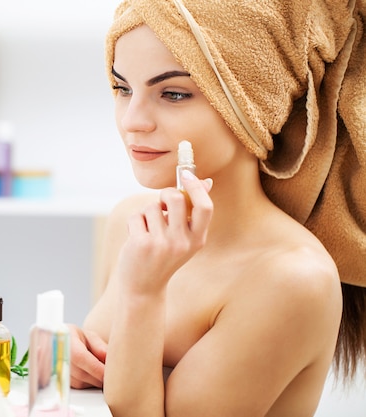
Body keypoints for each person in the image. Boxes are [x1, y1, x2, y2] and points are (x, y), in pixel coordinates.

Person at [69, 0, 366, 416]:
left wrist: (143, 292)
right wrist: (68, 353)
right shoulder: (130, 221)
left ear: (251, 105)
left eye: (173, 93)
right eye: (123, 89)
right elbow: (108, 374)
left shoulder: (293, 279)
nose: (132, 120)